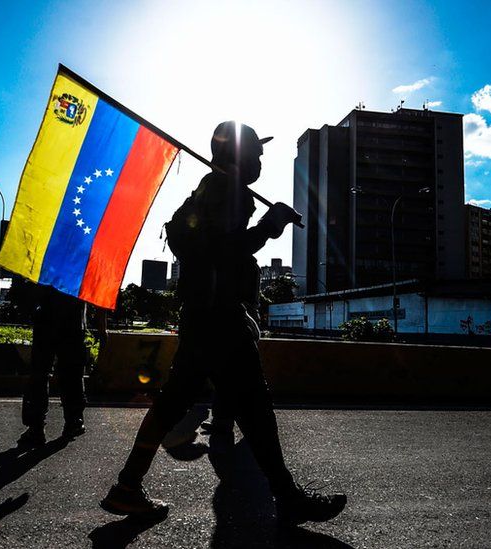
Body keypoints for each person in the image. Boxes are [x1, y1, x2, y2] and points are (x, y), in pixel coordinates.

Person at [100, 121, 347, 526]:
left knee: (177, 403)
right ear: (238, 154)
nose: (262, 161)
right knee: (255, 407)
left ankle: (128, 485)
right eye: (257, 153)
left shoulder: (212, 188)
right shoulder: (228, 192)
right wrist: (269, 227)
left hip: (203, 315)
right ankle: (287, 497)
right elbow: (221, 252)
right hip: (218, 319)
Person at [18, 284, 106, 446]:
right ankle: (74, 421)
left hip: (46, 324)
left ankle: (36, 427)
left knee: (40, 374)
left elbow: (32, 290)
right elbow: (99, 292)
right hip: (73, 326)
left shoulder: (48, 262)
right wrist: (102, 328)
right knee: (71, 375)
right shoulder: (84, 265)